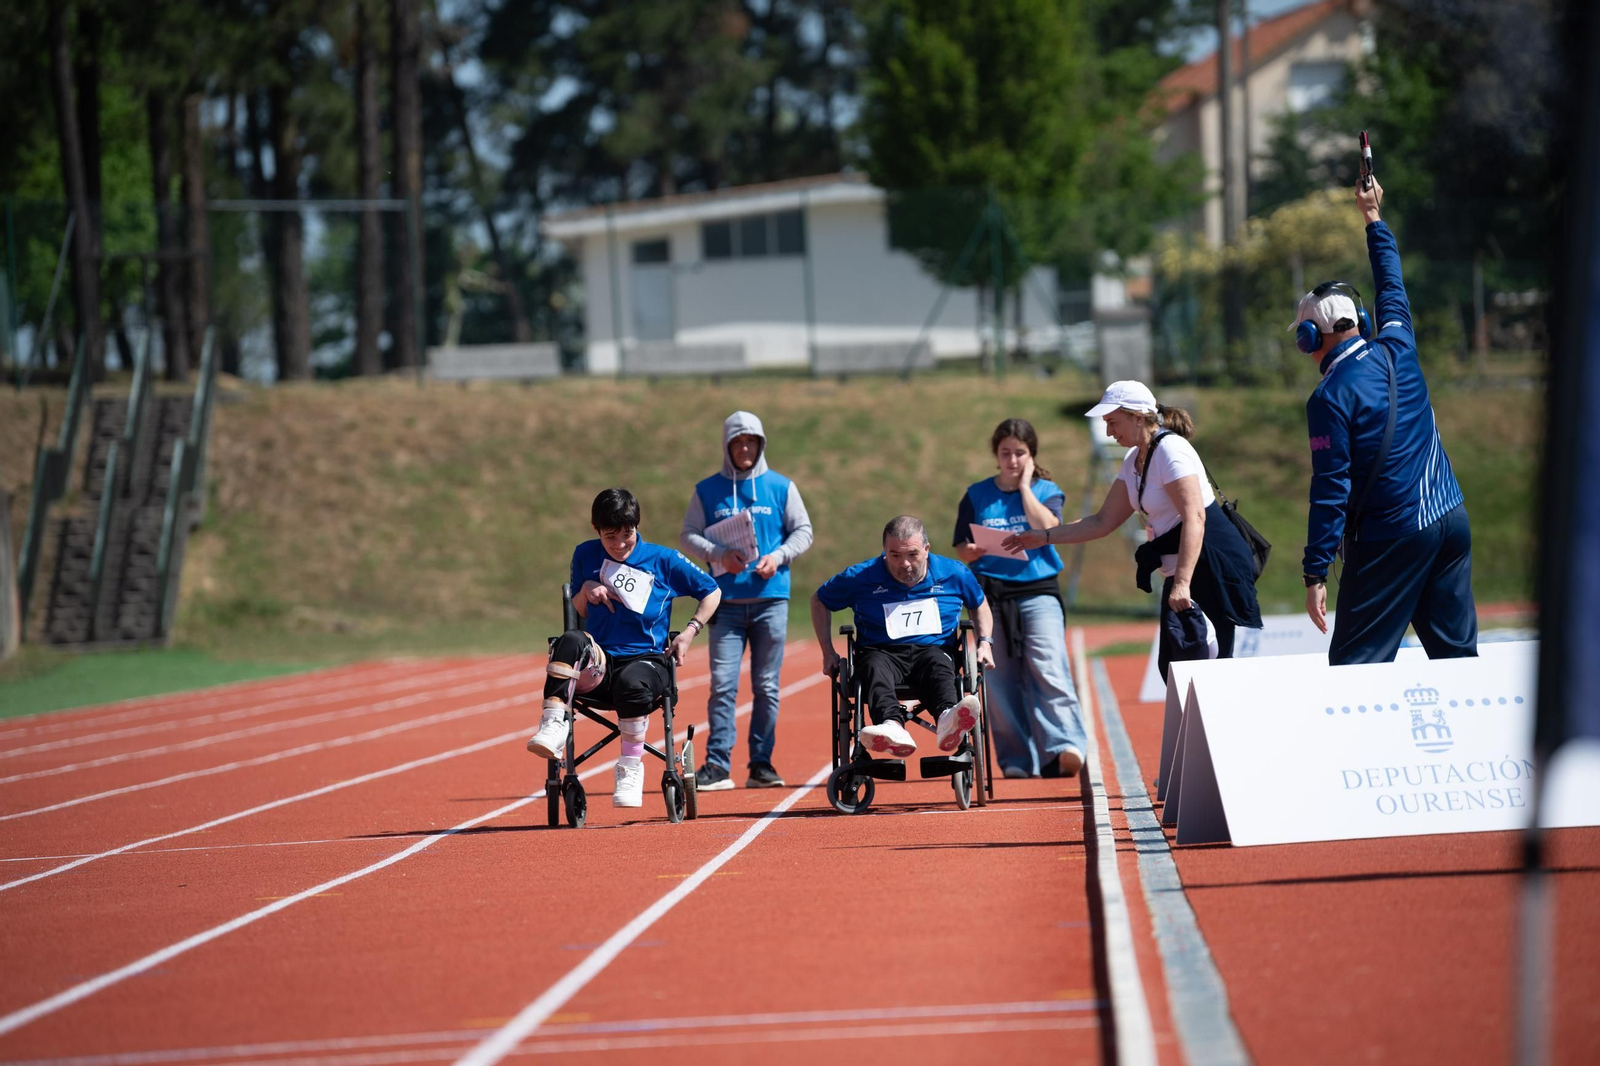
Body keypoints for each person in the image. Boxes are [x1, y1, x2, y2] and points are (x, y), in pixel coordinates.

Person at [1295, 177, 1477, 664]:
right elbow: (1390, 282)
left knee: (1355, 669)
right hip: (1450, 517)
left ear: (1311, 338)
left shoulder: (1328, 397)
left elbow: (1330, 490)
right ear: (1362, 320)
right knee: (1457, 660)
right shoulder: (1398, 343)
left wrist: (1315, 572)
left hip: (1392, 534)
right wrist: (1373, 216)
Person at [1003, 383, 1262, 682]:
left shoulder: (1170, 451)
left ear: (1138, 417)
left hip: (1212, 566)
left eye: (1113, 422)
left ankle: (1216, 727)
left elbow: (1195, 517)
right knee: (1174, 668)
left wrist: (1181, 584)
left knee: (1203, 671)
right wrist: (1045, 536)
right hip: (1187, 569)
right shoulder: (1133, 460)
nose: (1110, 431)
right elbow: (1102, 522)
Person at [526, 488, 722, 808]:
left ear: (637, 526)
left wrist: (689, 632)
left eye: (627, 535)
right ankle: (553, 724)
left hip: (646, 660)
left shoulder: (664, 559)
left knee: (633, 683)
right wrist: (587, 590)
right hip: (601, 662)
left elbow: (711, 591)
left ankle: (630, 768)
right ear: (596, 530)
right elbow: (581, 610)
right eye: (610, 536)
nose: (619, 545)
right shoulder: (585, 555)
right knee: (569, 640)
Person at [680, 412, 814, 790]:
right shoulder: (706, 491)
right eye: (738, 442)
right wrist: (719, 553)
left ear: (760, 444)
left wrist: (780, 556)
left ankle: (761, 764)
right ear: (727, 446)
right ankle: (717, 765)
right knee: (723, 685)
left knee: (767, 686)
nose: (744, 448)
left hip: (772, 600)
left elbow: (803, 530)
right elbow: (687, 535)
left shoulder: (781, 487)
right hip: (724, 602)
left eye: (751, 442)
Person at [952, 418, 1088, 779]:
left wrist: (1025, 488)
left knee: (1048, 667)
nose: (1012, 460)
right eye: (1005, 453)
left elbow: (1050, 528)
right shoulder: (976, 494)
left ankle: (1065, 747)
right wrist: (972, 550)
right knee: (999, 681)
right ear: (995, 455)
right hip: (991, 595)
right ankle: (1016, 758)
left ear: (1031, 455)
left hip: (1037, 590)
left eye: (1020, 453)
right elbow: (961, 546)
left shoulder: (1047, 489)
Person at [810, 516, 995, 758]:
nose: (904, 564)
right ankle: (892, 726)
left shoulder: (954, 573)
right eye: (894, 555)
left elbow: (979, 604)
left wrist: (984, 643)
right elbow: (819, 600)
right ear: (884, 551)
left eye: (912, 555)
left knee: (939, 666)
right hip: (880, 651)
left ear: (926, 550)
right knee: (874, 667)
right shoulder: (861, 576)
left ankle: (948, 718)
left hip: (935, 650)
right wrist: (828, 652)